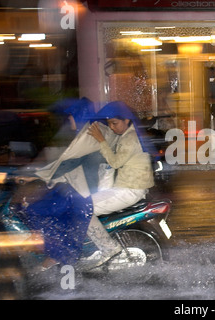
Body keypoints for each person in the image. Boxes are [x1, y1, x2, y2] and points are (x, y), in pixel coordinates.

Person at [22, 101, 154, 271]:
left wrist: (100, 140)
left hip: (128, 190)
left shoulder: (130, 138)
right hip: (123, 187)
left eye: (115, 123)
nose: (112, 128)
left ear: (127, 120)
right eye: (109, 124)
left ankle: (108, 248)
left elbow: (114, 162)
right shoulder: (126, 135)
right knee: (76, 206)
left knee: (84, 209)